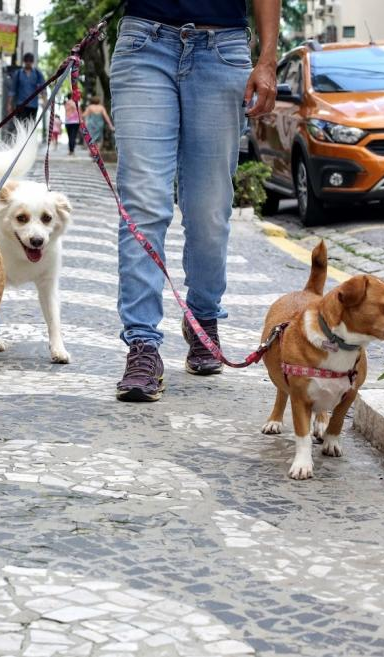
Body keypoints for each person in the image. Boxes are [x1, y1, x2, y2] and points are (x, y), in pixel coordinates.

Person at [111, 0, 278, 402]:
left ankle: (202, 317)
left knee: (209, 209)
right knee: (145, 202)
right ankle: (143, 345)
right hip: (143, 43)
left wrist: (267, 60)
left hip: (222, 48)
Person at [7, 52, 47, 123]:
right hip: (21, 104)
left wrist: (44, 101)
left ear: (32, 62)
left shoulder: (37, 73)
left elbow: (43, 88)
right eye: (27, 61)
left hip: (33, 105)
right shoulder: (18, 73)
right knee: (21, 126)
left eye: (30, 61)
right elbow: (12, 90)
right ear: (24, 62)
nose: (28, 63)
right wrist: (9, 104)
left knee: (30, 127)